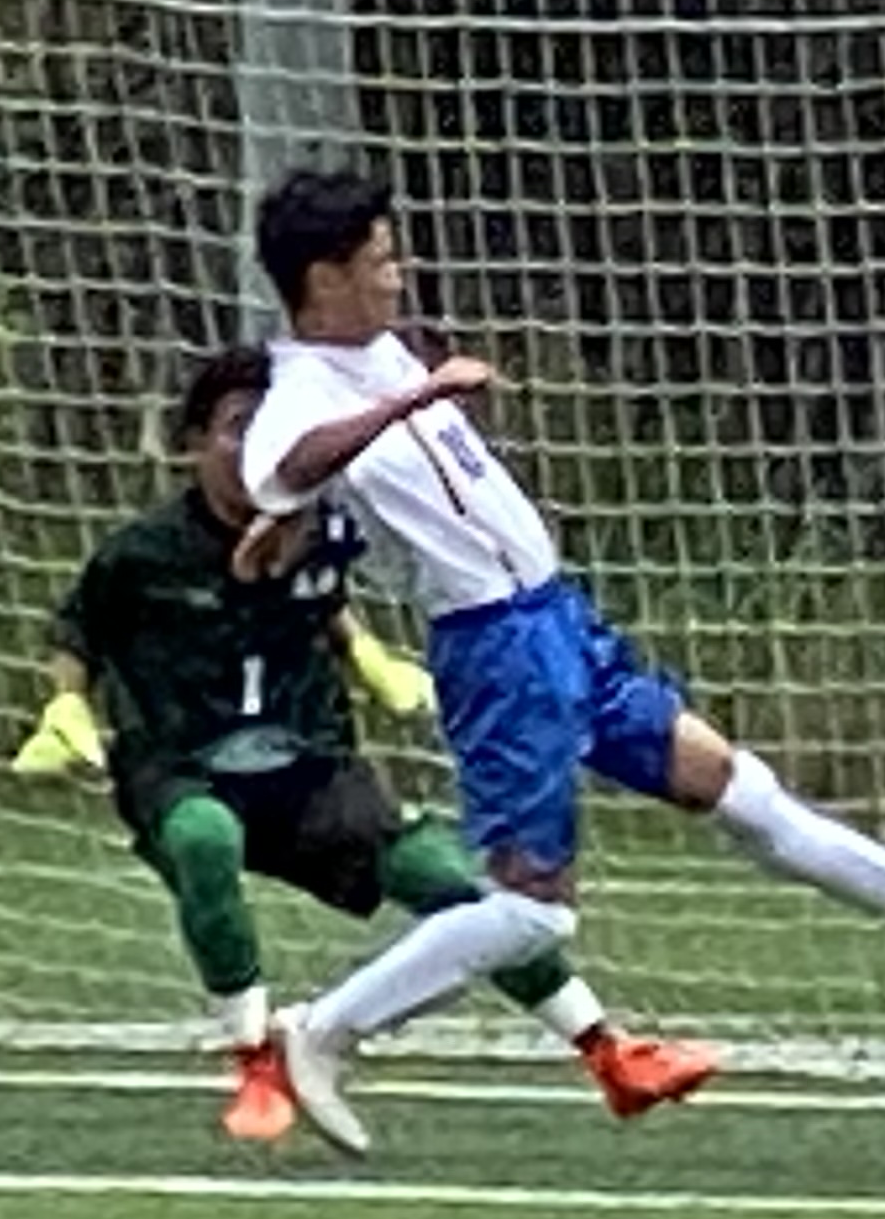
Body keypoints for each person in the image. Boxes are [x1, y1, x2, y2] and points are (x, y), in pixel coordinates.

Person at [237, 165, 885, 1153]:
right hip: (496, 651)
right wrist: (416, 400)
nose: (396, 277)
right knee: (531, 916)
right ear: (323, 280)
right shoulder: (302, 392)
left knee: (729, 781)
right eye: (378, 262)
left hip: (559, 621)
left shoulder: (377, 353)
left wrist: (399, 410)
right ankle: (323, 1032)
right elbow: (282, 470)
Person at [35, 346, 716, 1140]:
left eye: (267, 428)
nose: (252, 447)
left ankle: (607, 1051)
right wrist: (66, 706)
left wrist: (368, 656)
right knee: (204, 839)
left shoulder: (320, 529)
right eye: (235, 428)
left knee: (454, 884)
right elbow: (76, 632)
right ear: (192, 444)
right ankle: (255, 1058)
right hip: (184, 769)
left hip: (307, 768)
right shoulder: (141, 553)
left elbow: (319, 598)